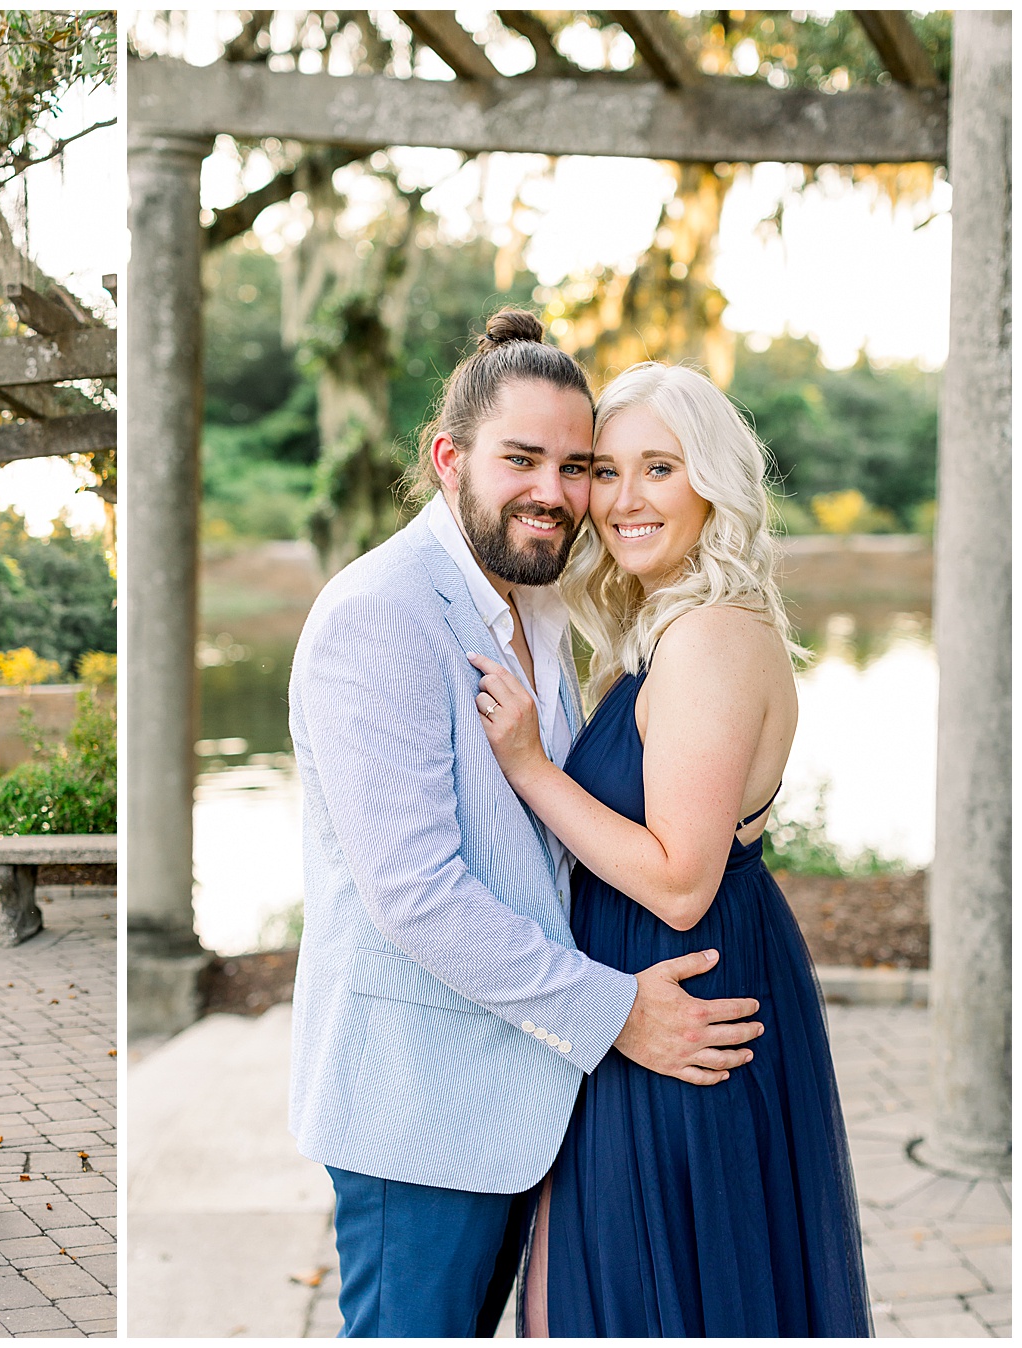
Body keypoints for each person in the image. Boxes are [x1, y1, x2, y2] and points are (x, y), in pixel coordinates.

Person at [287, 310, 766, 1338]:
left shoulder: (547, 605)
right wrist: (614, 1011)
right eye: (522, 459)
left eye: (575, 463)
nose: (554, 491)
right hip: (420, 1107)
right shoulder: (378, 613)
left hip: (535, 1093)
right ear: (448, 456)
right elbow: (415, 892)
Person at [471, 361, 872, 1336]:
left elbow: (682, 880)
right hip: (647, 1001)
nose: (622, 499)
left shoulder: (707, 639)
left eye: (660, 468)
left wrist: (530, 767)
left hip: (680, 999)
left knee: (643, 1294)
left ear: (714, 485)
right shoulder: (672, 628)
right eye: (606, 472)